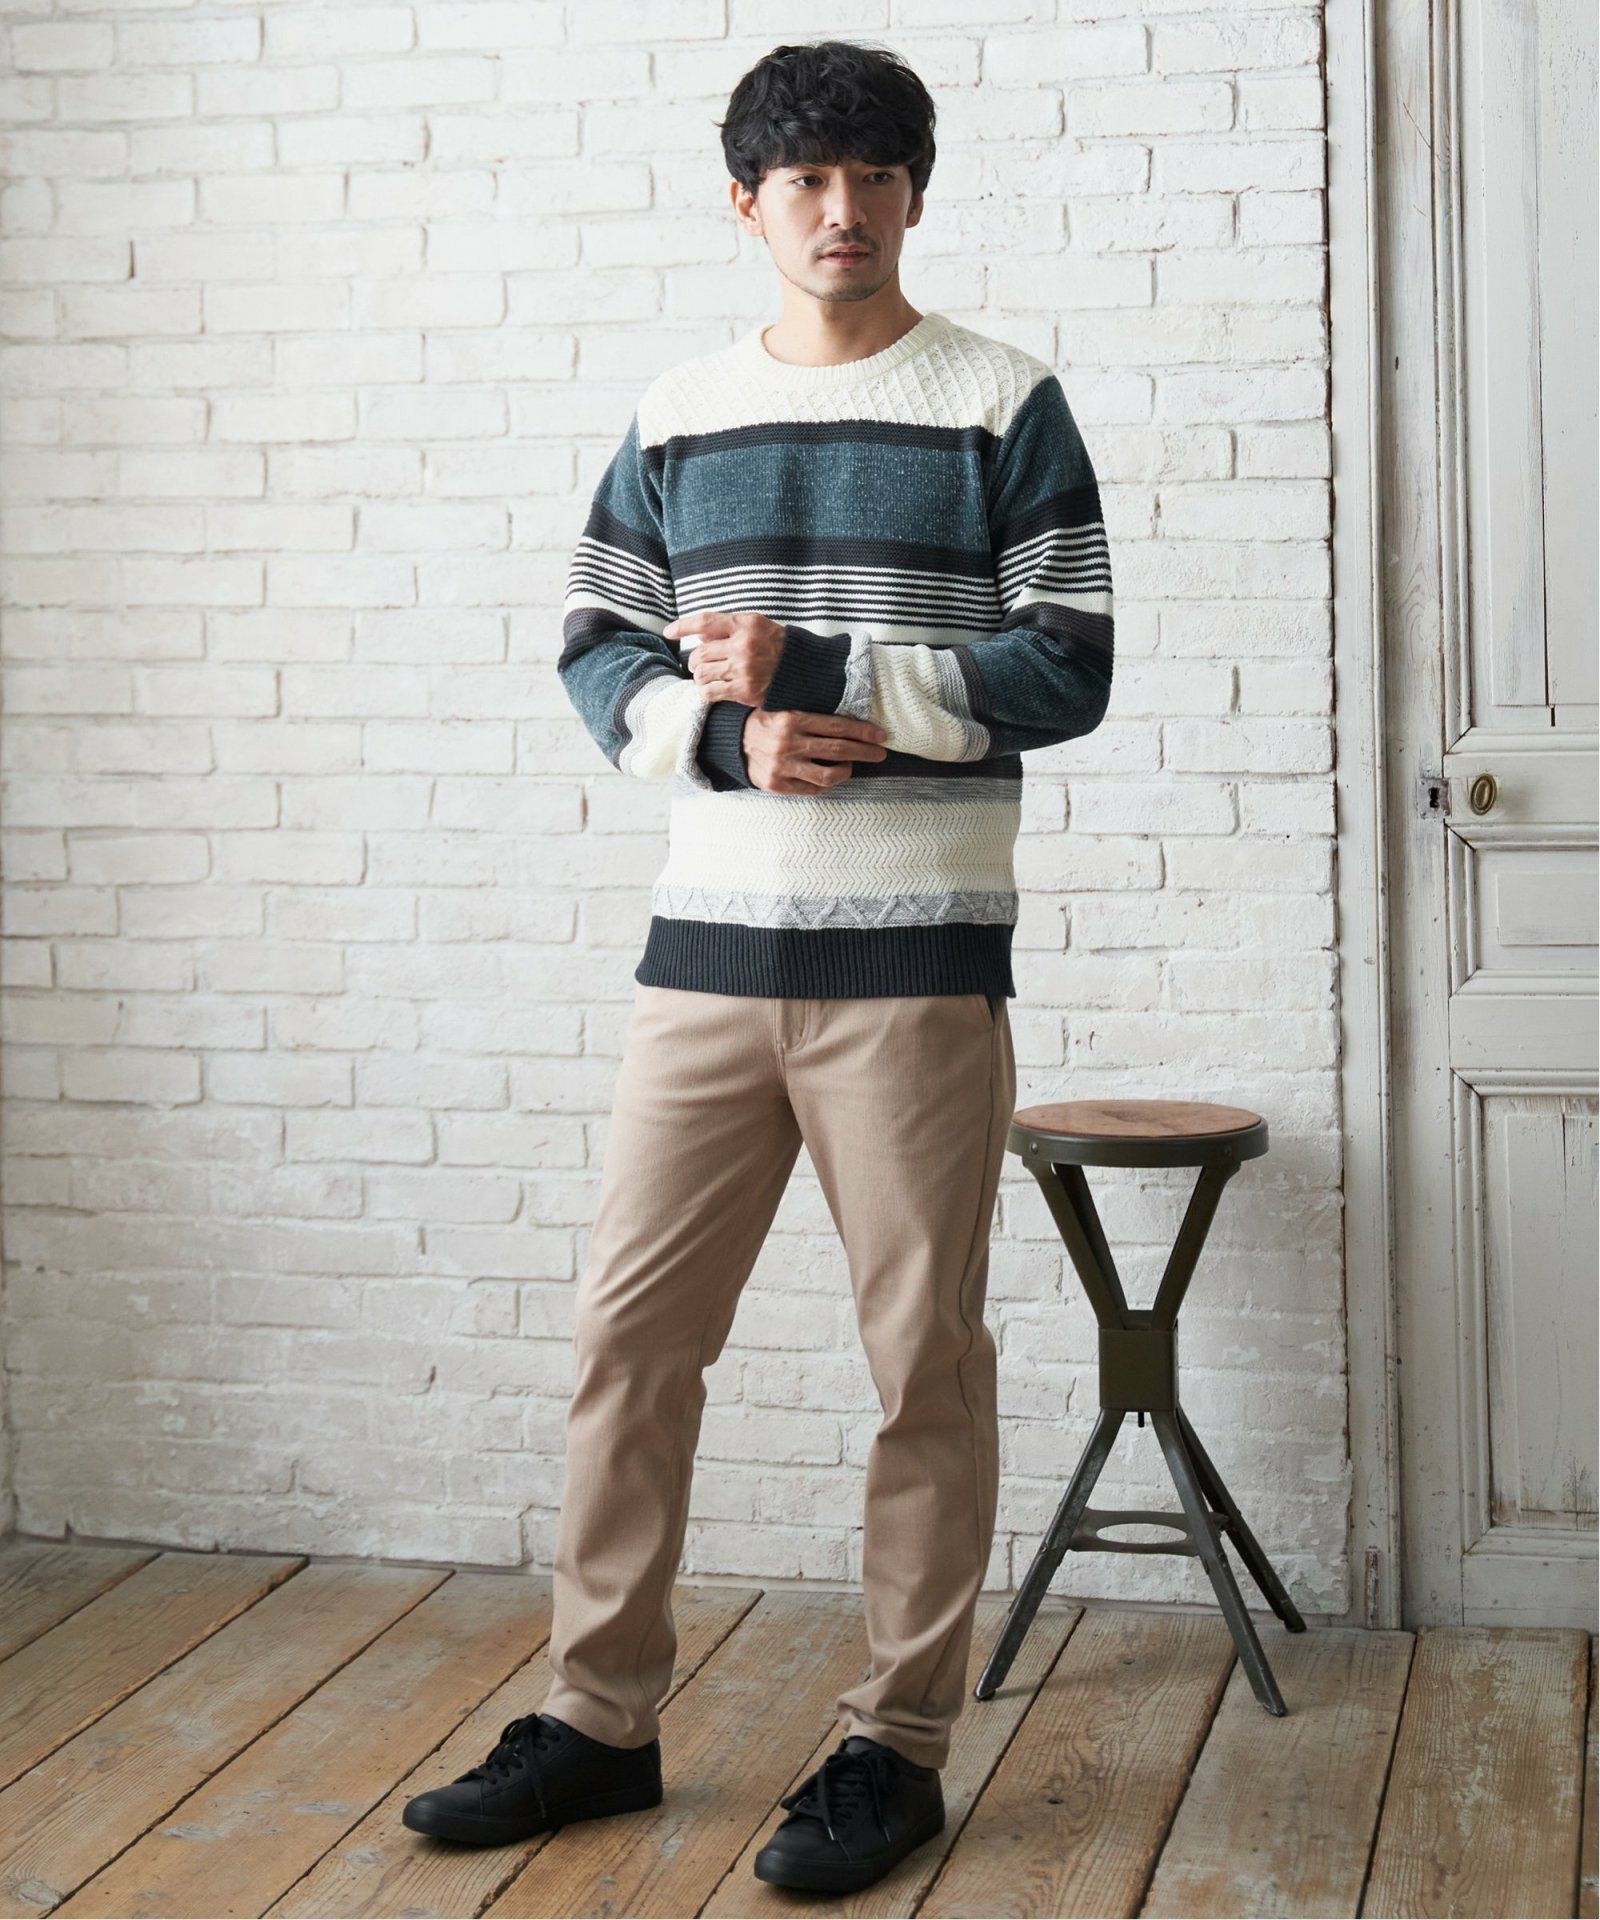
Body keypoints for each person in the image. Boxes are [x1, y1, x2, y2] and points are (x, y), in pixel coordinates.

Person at [402, 35, 1114, 1895]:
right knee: (630, 1342)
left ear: (916, 195)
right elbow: (596, 646)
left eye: (874, 175)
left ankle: (895, 1749)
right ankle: (598, 1723)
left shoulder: (1004, 401)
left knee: (921, 1366)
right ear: (748, 203)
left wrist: (826, 676)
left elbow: (1070, 664)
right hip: (707, 965)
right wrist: (726, 741)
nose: (840, 208)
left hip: (918, 968)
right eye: (804, 178)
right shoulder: (678, 413)